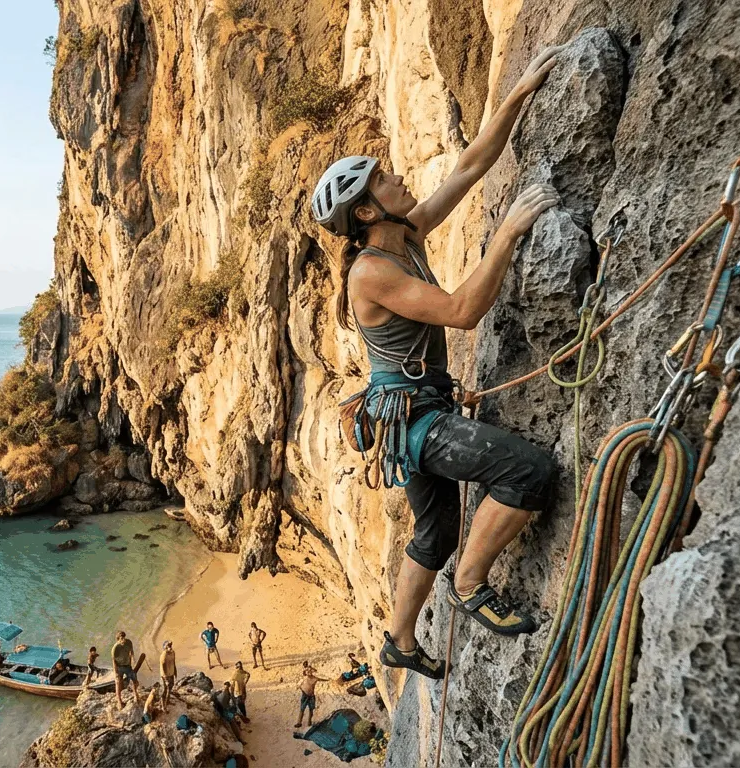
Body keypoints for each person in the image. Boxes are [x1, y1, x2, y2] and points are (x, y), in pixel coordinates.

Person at [308, 44, 567, 681]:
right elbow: (459, 311)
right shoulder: (370, 273)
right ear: (367, 211)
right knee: (529, 473)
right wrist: (506, 234)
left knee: (435, 533)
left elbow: (471, 166)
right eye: (384, 180)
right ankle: (471, 585)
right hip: (417, 422)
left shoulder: (408, 234)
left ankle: (398, 641)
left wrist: (518, 92)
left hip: (419, 409)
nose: (398, 178)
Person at [111, 630, 140, 706]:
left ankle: (135, 694)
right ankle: (119, 701)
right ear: (118, 640)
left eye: (124, 638)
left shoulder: (129, 642)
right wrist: (115, 673)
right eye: (121, 639)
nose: (123, 640)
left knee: (135, 680)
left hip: (127, 666)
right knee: (118, 683)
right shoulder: (115, 648)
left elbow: (131, 652)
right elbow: (113, 661)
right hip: (119, 667)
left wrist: (133, 660)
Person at [295, 661, 324, 728]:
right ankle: (299, 722)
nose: (309, 672)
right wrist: (302, 689)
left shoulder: (314, 678)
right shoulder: (304, 678)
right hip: (305, 695)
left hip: (311, 696)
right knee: (302, 709)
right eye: (308, 671)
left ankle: (309, 722)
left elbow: (320, 677)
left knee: (311, 709)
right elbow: (298, 685)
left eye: (310, 671)